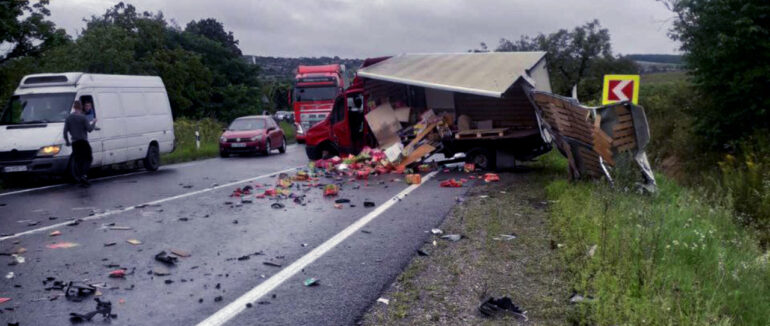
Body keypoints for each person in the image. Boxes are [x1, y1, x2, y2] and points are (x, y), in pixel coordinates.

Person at [63, 100, 97, 187]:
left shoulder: (68, 118)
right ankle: (84, 175)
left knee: (78, 160)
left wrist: (67, 141)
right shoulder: (83, 117)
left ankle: (80, 177)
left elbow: (65, 132)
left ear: (74, 107)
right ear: (81, 107)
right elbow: (89, 129)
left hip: (75, 143)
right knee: (88, 158)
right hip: (83, 141)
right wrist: (94, 122)